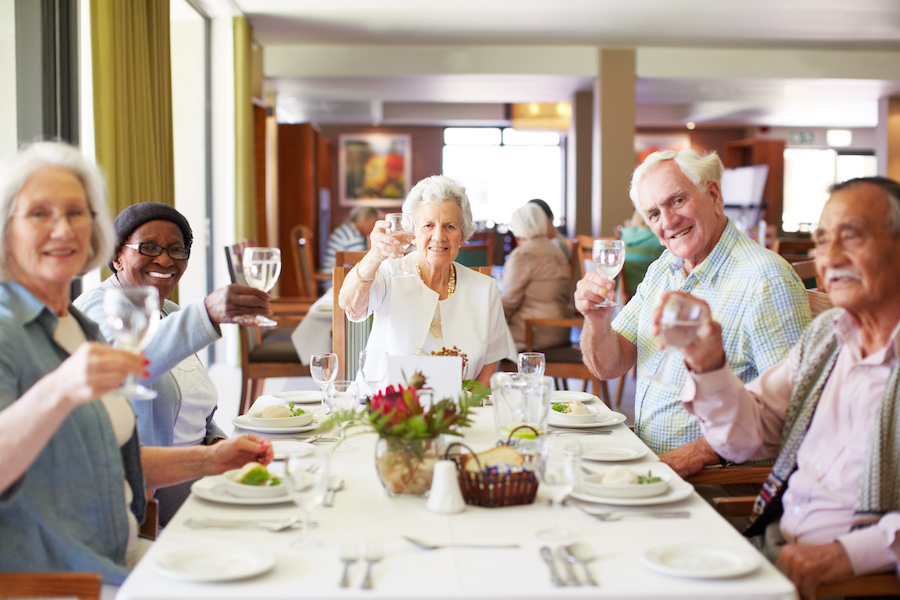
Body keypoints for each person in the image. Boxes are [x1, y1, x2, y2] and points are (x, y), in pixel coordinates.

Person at [0, 142, 272, 583]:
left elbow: (111, 460)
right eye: (39, 214)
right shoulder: (11, 330)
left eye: (76, 213)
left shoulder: (74, 328)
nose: (62, 229)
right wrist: (58, 389)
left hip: (127, 551)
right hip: (69, 577)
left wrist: (213, 457)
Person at [668, 177, 900, 598]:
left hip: (854, 582)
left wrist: (853, 553)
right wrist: (708, 366)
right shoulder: (829, 336)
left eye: (851, 237)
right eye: (822, 240)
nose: (830, 257)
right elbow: (742, 437)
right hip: (771, 550)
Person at [575, 148, 811, 476]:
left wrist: (698, 454)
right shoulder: (664, 268)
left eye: (677, 201)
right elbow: (609, 366)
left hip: (713, 483)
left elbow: (796, 409)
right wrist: (596, 320)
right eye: (654, 214)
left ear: (713, 195)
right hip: (650, 465)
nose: (668, 221)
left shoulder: (766, 280)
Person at [74, 202, 271, 525]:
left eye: (176, 250)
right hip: (157, 492)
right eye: (149, 247)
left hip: (202, 470)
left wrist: (220, 443)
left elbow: (196, 411)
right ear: (116, 256)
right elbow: (130, 366)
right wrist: (206, 313)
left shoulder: (170, 311)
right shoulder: (100, 308)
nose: (165, 259)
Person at [339, 175, 516, 385]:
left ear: (463, 236)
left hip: (455, 410)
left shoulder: (485, 288)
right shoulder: (391, 272)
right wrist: (375, 255)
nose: (439, 236)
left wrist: (467, 406)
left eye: (450, 226)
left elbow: (489, 366)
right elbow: (350, 306)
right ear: (412, 234)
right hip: (386, 405)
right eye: (428, 225)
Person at [501, 202, 572, 350]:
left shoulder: (522, 255)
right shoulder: (558, 250)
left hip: (531, 334)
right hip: (561, 332)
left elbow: (509, 301)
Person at [321, 205, 380, 279]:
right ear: (365, 220)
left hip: (337, 275)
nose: (373, 227)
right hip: (333, 279)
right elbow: (362, 262)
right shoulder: (352, 236)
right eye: (373, 223)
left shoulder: (349, 229)